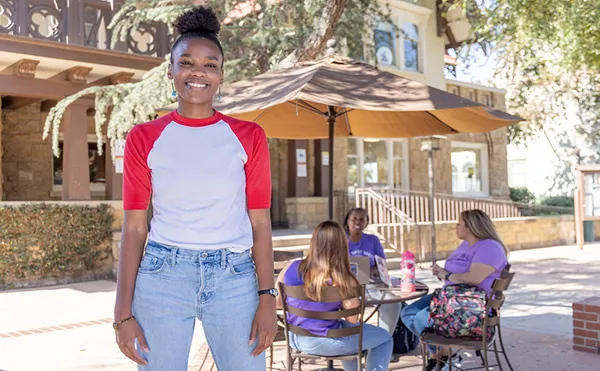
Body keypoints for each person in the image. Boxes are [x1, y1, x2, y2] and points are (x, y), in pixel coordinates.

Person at [113, 6, 277, 371]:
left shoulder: (249, 137)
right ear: (170, 70)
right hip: (162, 277)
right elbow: (135, 227)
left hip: (234, 278)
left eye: (210, 64)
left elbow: (261, 223)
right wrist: (122, 312)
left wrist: (268, 298)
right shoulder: (144, 138)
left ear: (220, 74)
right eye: (186, 62)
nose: (197, 72)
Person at [276, 221, 393, 371]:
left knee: (346, 333)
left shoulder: (290, 267)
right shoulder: (343, 278)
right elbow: (352, 319)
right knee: (384, 338)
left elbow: (278, 303)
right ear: (341, 246)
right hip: (326, 342)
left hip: (294, 338)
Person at [401, 209, 509, 371]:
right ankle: (445, 355)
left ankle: (441, 358)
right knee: (408, 313)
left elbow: (474, 278)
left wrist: (448, 274)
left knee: (421, 320)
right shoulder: (466, 245)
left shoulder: (490, 247)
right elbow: (456, 273)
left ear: (471, 226)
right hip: (450, 296)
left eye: (459, 223)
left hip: (472, 306)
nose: (456, 227)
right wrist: (442, 274)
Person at [343, 208, 402, 336]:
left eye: (361, 219)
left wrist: (371, 270)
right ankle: (353, 340)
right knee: (351, 305)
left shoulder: (372, 240)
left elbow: (381, 264)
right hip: (347, 288)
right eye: (354, 219)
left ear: (366, 223)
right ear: (347, 221)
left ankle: (384, 338)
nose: (357, 222)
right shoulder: (341, 240)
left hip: (370, 285)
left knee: (393, 303)